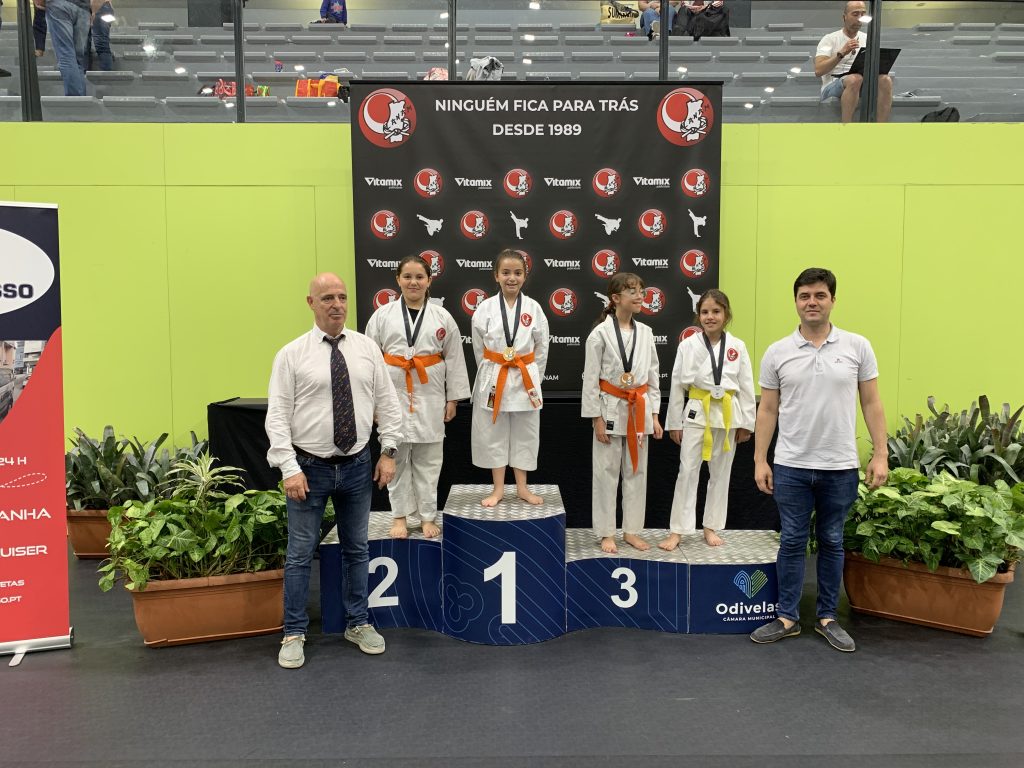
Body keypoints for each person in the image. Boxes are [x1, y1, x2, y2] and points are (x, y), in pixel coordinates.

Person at [266, 273, 403, 669]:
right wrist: (289, 468)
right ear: (311, 303)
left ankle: (358, 623)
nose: (337, 304)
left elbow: (387, 403)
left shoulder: (366, 349)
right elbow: (277, 417)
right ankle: (294, 633)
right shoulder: (291, 355)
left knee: (357, 548)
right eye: (327, 297)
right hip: (308, 469)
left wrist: (388, 452)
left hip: (359, 465)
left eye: (342, 297)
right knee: (299, 554)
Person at [750, 268, 888, 653]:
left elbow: (871, 402)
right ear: (796, 302)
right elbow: (767, 410)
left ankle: (828, 617)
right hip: (791, 465)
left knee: (832, 540)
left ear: (832, 300)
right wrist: (760, 459)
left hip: (839, 466)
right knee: (792, 540)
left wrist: (880, 453)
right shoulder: (777, 352)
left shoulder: (857, 347)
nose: (812, 302)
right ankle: (787, 617)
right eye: (805, 296)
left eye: (820, 295)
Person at [364, 255, 471, 540]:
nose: (414, 282)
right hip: (392, 395)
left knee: (429, 462)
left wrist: (453, 399)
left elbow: (454, 358)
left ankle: (427, 516)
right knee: (395, 459)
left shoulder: (442, 317)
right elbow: (369, 361)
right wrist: (373, 403)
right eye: (408, 277)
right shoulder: (382, 316)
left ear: (429, 281)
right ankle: (399, 516)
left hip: (430, 395)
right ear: (398, 280)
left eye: (419, 277)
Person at [660, 289, 754, 551]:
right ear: (698, 315)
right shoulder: (687, 345)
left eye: (716, 311)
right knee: (687, 471)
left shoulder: (737, 346)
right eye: (704, 312)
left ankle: (711, 526)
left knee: (721, 473)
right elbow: (677, 385)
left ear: (726, 315)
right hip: (696, 411)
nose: (710, 317)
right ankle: (678, 530)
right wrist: (674, 422)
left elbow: (746, 386)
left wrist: (747, 423)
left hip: (727, 414)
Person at [582, 272, 662, 554]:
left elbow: (653, 376)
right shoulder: (600, 334)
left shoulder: (646, 333)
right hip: (610, 407)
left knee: (637, 471)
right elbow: (590, 379)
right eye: (633, 291)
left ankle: (631, 530)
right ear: (616, 298)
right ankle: (606, 532)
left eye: (641, 291)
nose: (640, 296)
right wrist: (596, 418)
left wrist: (654, 415)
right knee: (606, 473)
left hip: (639, 408)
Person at [471, 249, 550, 507]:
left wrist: (533, 376)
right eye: (505, 272)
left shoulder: (534, 308)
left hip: (525, 377)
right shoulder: (485, 308)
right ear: (496, 275)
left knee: (525, 434)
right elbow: (479, 348)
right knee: (494, 432)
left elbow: (542, 347)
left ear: (525, 276)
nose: (511, 278)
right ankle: (498, 489)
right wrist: (491, 371)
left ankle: (522, 488)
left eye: (517, 273)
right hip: (495, 374)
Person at [816, 1, 892, 124]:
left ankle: (880, 128)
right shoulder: (829, 39)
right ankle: (847, 128)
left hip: (861, 81)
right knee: (854, 79)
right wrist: (841, 53)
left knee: (885, 80)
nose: (859, 18)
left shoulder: (868, 38)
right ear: (844, 17)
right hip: (833, 84)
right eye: (855, 14)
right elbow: (819, 70)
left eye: (863, 14)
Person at [38, 0, 90, 96]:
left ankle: (74, 101)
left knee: (66, 56)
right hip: (83, 8)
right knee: (78, 60)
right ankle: (81, 101)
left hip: (59, 5)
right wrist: (94, 10)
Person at [90, 0, 114, 71]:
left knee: (101, 44)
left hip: (99, 7)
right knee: (101, 44)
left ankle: (106, 74)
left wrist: (94, 12)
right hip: (103, 6)